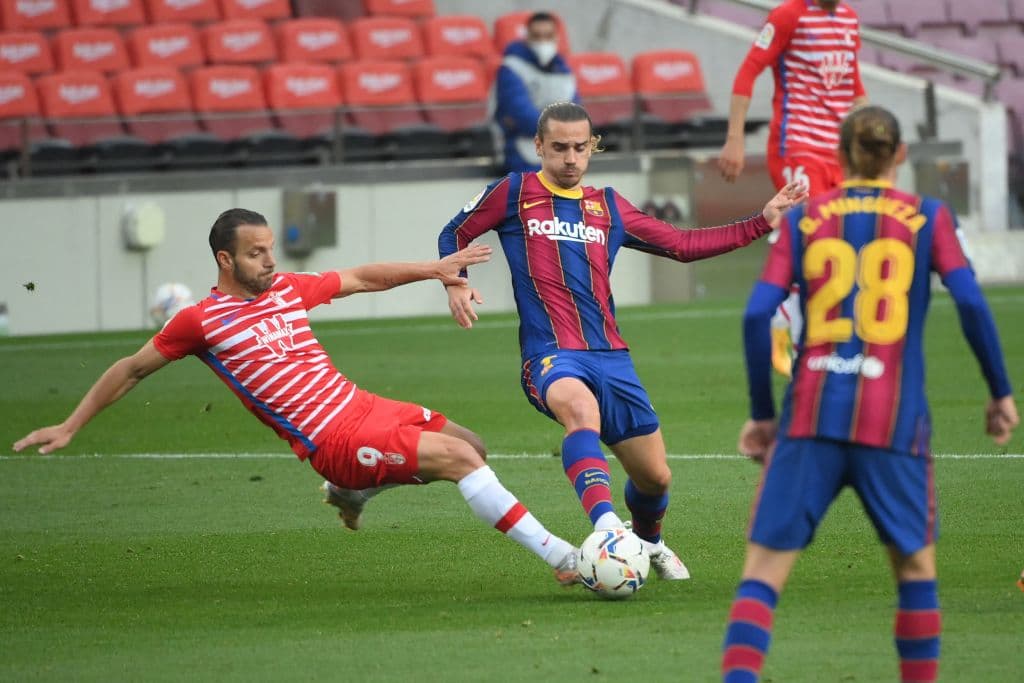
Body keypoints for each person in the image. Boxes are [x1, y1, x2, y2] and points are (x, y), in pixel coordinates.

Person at [12, 208, 582, 586]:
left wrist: (434, 269)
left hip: (361, 404)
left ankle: (353, 490)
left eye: (270, 249)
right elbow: (132, 369)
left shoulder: (286, 290)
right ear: (225, 260)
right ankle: (565, 560)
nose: (271, 260)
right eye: (257, 253)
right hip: (331, 437)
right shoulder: (201, 321)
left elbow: (361, 277)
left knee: (471, 445)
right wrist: (72, 423)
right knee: (459, 463)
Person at [438, 101, 807, 581]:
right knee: (580, 412)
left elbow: (681, 245)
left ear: (592, 147)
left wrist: (762, 220)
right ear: (538, 147)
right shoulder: (515, 192)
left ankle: (647, 542)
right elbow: (455, 232)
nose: (570, 158)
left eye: (579, 147)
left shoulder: (608, 206)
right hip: (550, 355)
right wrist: (455, 281)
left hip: (612, 358)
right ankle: (609, 529)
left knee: (655, 478)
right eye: (559, 148)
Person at [720, 106, 1019, 683]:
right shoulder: (928, 216)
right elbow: (974, 302)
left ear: (839, 154)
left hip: (809, 416)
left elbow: (758, 314)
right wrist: (1000, 392)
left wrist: (762, 414)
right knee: (913, 572)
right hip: (894, 421)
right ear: (899, 155)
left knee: (761, 575)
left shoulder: (805, 220)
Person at [717, 0, 869, 378]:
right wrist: (734, 138)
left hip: (841, 153)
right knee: (812, 235)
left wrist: (878, 137)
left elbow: (854, 86)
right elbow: (747, 72)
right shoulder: (788, 15)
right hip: (797, 146)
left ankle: (812, 332)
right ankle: (785, 323)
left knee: (842, 242)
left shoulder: (848, 18)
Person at [493, 11, 577, 173]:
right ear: (527, 37)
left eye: (548, 35)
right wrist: (563, 128)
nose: (543, 41)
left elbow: (577, 115)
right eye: (537, 36)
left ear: (557, 38)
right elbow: (523, 116)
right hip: (522, 155)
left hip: (563, 157)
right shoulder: (511, 68)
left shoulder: (565, 72)